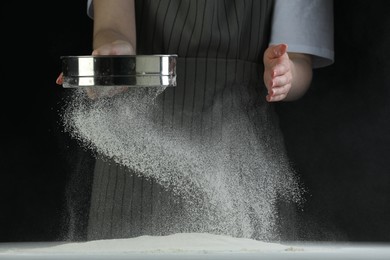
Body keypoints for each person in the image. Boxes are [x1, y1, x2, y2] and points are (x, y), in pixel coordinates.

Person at [57, 0, 334, 242]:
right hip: (132, 154)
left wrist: (285, 72)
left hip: (243, 160)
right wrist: (112, 57)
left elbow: (298, 59)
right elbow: (112, 28)